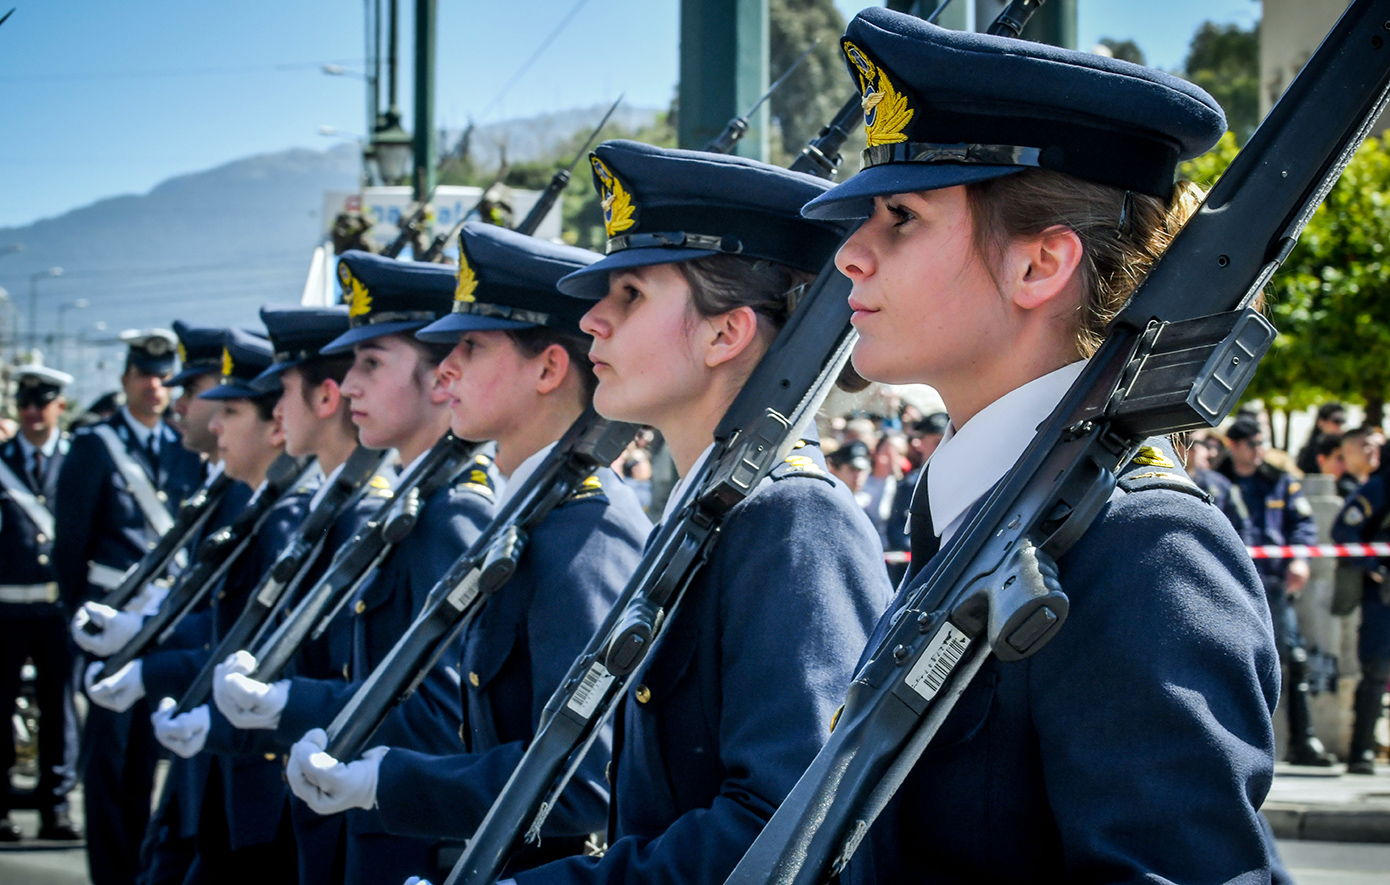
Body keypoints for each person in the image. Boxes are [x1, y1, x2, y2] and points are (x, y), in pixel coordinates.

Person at [795, 9, 1285, 878]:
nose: (851, 256)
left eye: (900, 217)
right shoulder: (984, 517)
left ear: (1039, 265)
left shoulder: (1145, 551)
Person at [469, 139, 893, 885]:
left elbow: (778, 829)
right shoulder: (712, 515)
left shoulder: (791, 525)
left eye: (630, 295)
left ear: (726, 332)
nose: (592, 320)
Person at [282, 222, 652, 877]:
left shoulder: (584, 529)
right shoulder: (531, 515)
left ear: (548, 367)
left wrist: (388, 781)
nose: (445, 369)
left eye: (472, 347)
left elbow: (584, 781)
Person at [210, 252, 499, 885]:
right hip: (367, 830)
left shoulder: (450, 517)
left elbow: (441, 716)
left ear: (439, 379)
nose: (351, 385)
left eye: (371, 363)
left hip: (408, 841)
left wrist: (291, 703)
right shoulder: (413, 507)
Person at [83, 328, 310, 883]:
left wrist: (150, 664)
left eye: (224, 404)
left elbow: (259, 647)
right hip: (221, 757)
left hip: (255, 771)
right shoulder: (242, 493)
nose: (200, 414)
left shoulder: (274, 512)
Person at [53, 329, 207, 885]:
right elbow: (70, 545)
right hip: (113, 618)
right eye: (144, 374)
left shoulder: (180, 446)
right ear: (125, 380)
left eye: (163, 376)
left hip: (165, 622)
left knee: (148, 757)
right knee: (109, 760)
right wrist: (84, 618)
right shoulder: (96, 446)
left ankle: (142, 869)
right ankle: (112, 873)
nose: (154, 385)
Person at [1219, 416, 1334, 766]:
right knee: (1230, 665)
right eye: (1252, 444)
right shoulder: (1219, 482)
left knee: (1294, 660)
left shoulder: (1279, 481)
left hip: (1272, 585)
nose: (1260, 451)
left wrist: (1299, 559)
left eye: (1262, 443)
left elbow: (1302, 525)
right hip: (1229, 584)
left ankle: (1304, 741)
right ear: (1235, 446)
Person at [0, 366, 81, 842]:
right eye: (25, 403)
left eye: (42, 402)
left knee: (59, 710)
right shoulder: (3, 459)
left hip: (56, 610)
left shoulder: (75, 459)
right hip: (5, 609)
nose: (33, 412)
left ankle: (57, 807)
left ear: (59, 407)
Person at [1331, 445, 1390, 775]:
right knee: (1377, 672)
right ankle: (1361, 752)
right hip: (1383, 596)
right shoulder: (1379, 488)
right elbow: (1344, 530)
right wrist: (1372, 565)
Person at [1297, 401, 1348, 475]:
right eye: (1336, 421)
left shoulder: (1345, 447)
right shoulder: (1310, 450)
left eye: (1342, 421)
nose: (1340, 425)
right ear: (1321, 422)